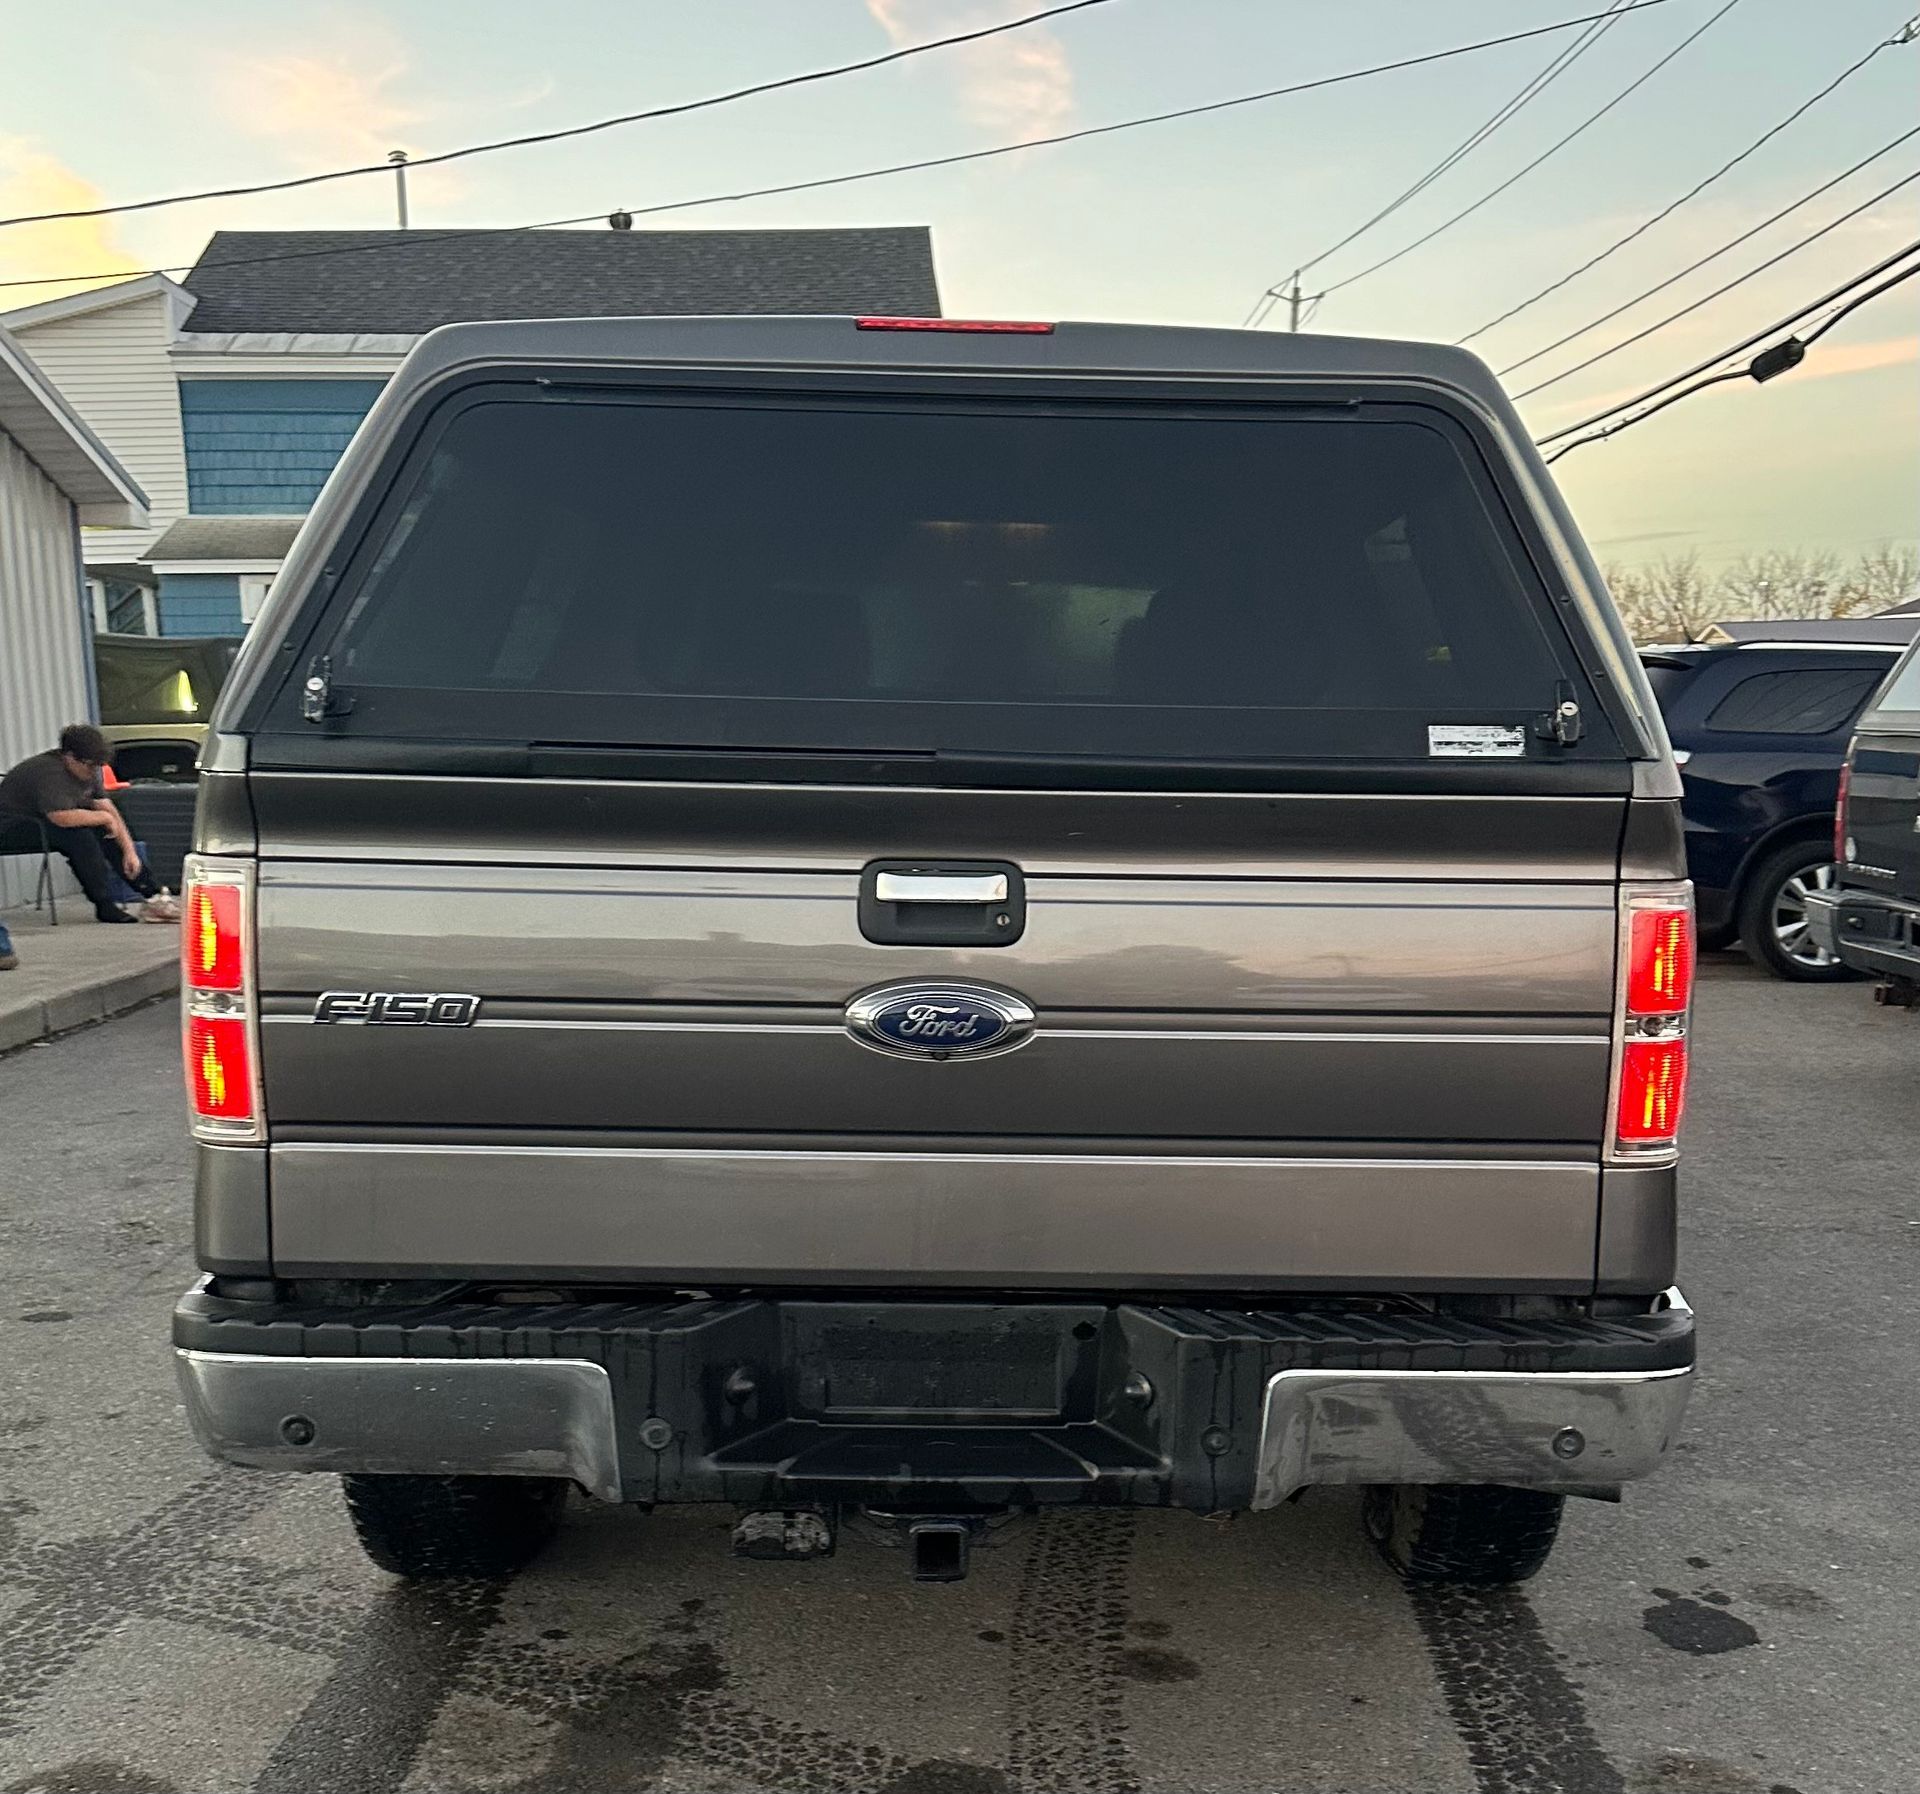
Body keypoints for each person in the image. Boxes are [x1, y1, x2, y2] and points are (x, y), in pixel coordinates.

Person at [0, 724, 162, 924]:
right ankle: (104, 904)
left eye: (97, 766)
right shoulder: (49, 772)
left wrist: (129, 852)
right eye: (89, 765)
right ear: (69, 757)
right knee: (78, 836)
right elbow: (61, 817)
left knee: (104, 830)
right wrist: (104, 818)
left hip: (45, 823)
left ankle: (153, 894)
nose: (93, 771)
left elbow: (107, 808)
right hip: (11, 827)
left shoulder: (87, 770)